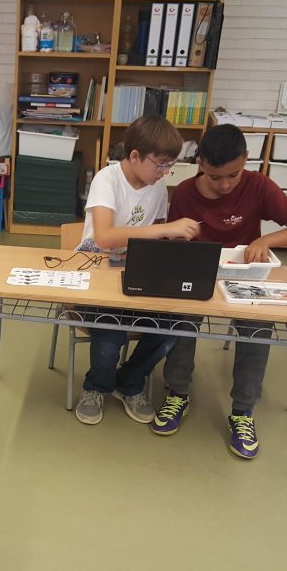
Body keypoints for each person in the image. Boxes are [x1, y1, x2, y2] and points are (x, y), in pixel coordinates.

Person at [156, 123, 287, 459]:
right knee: (181, 318)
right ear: (201, 163)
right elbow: (173, 247)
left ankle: (243, 410)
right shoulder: (185, 192)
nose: (226, 185)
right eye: (216, 177)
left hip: (246, 276)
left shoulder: (258, 185)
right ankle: (177, 393)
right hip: (198, 274)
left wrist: (266, 239)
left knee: (258, 325)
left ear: (246, 158)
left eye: (234, 174)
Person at [73, 115, 201, 425]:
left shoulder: (157, 186)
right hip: (95, 273)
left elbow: (157, 235)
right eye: (160, 164)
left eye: (169, 165)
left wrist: (173, 238)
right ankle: (96, 386)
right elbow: (104, 238)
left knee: (171, 329)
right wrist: (165, 229)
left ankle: (129, 382)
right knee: (110, 338)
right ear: (135, 156)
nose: (165, 172)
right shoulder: (107, 179)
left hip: (136, 274)